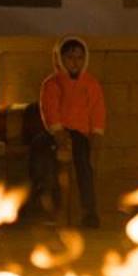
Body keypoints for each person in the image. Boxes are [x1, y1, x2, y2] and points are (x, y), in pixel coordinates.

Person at [28, 36, 108, 228]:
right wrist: (57, 132)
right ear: (60, 59)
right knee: (41, 155)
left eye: (80, 58)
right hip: (54, 133)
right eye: (70, 57)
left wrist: (96, 132)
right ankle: (45, 205)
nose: (75, 62)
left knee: (83, 164)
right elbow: (49, 108)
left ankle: (89, 211)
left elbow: (98, 109)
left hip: (79, 134)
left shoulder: (91, 84)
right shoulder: (52, 83)